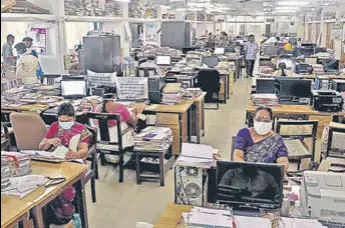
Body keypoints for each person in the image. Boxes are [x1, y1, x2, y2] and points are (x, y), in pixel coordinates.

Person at [39, 103, 90, 225]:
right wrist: (49, 141)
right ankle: (52, 214)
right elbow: (41, 147)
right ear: (58, 118)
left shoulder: (82, 129)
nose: (65, 122)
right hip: (55, 161)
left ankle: (65, 215)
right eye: (62, 120)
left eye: (68, 120)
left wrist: (76, 155)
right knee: (45, 183)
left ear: (74, 118)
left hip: (73, 163)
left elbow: (84, 149)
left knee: (63, 185)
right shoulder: (54, 126)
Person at [233, 106, 289, 177]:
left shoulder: (277, 140)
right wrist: (247, 169)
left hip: (266, 176)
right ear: (253, 120)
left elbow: (283, 160)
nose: (262, 123)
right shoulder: (243, 133)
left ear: (271, 121)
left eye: (266, 120)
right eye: (258, 119)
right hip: (244, 173)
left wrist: (281, 169)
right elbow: (237, 156)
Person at [92, 93, 137, 163]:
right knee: (131, 128)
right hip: (117, 142)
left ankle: (106, 159)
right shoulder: (121, 107)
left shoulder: (96, 107)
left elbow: (95, 123)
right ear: (114, 97)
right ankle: (131, 156)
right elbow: (133, 122)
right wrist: (134, 113)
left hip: (101, 141)